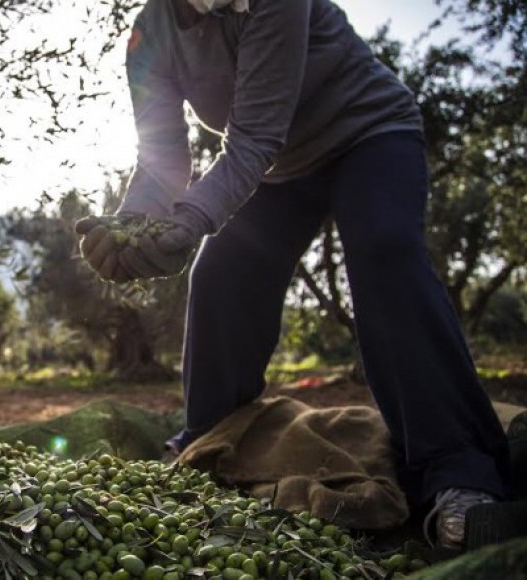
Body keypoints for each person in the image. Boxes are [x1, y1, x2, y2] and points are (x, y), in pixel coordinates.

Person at [74, 0, 510, 550]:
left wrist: (189, 221)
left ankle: (460, 471)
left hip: (368, 133)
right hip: (280, 171)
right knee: (221, 277)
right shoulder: (148, 35)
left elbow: (253, 138)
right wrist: (129, 226)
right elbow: (162, 161)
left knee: (384, 251)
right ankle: (210, 442)